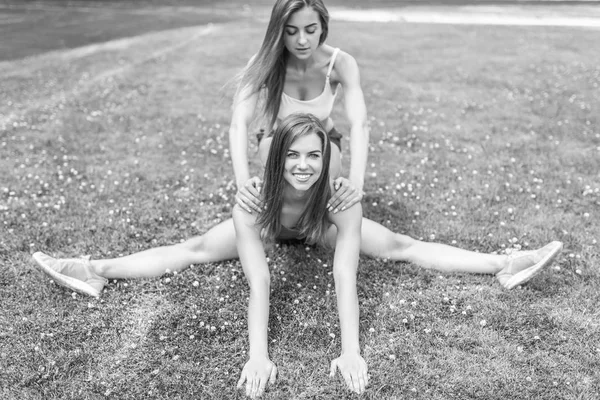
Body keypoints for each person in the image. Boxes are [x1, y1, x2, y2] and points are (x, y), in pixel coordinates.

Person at [33, 114, 563, 398]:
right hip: (270, 223)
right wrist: (258, 355)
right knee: (193, 250)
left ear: (326, 160)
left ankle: (503, 263)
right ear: (276, 157)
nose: (304, 164)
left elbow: (344, 275)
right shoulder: (252, 203)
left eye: (315, 155)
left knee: (402, 247)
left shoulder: (337, 199)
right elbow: (259, 282)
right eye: (293, 154)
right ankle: (94, 269)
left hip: (315, 225)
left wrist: (350, 350)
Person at [229, 0, 368, 217]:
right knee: (276, 170)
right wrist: (243, 182)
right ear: (279, 31)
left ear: (323, 27)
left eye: (310, 30)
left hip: (323, 140)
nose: (302, 40)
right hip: (279, 138)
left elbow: (360, 124)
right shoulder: (265, 62)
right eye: (291, 31)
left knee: (324, 183)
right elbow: (239, 123)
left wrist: (356, 182)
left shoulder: (341, 63)